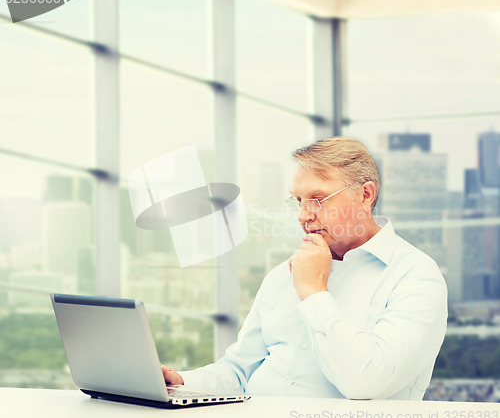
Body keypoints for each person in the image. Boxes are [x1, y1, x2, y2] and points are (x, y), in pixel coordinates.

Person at [162, 137, 448, 400]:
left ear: (365, 195)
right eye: (299, 200)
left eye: (318, 199)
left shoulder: (416, 277)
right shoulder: (281, 275)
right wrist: (181, 382)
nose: (303, 215)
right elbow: (238, 371)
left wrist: (313, 290)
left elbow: (367, 383)